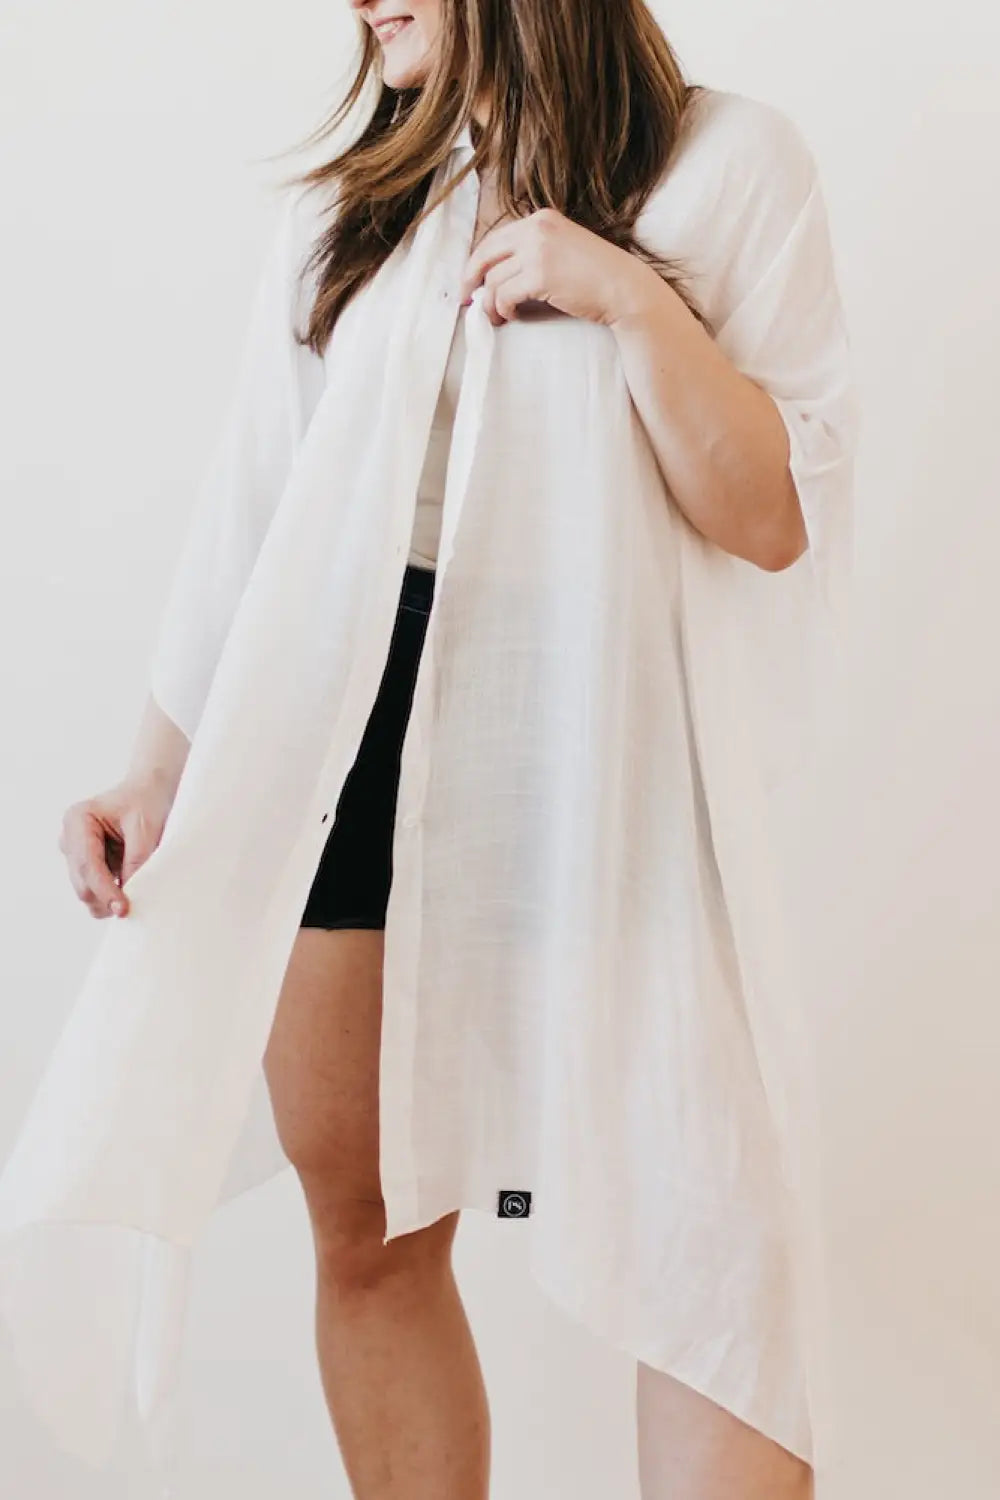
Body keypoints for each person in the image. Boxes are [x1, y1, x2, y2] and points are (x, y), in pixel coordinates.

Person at [4, 1, 858, 1497]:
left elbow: (772, 517)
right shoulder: (350, 210)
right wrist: (159, 771)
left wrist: (627, 298)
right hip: (343, 721)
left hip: (607, 727)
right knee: (367, 1225)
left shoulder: (728, 165)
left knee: (708, 1235)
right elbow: (254, 515)